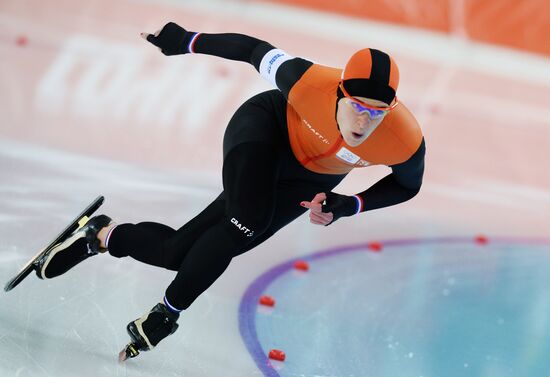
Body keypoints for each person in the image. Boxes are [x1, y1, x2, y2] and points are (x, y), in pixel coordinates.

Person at [34, 22, 425, 358]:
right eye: (357, 105)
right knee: (247, 222)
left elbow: (407, 186)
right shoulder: (309, 82)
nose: (364, 119)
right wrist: (185, 40)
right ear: (340, 92)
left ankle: (101, 236)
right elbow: (253, 50)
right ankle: (167, 315)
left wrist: (351, 203)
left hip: (310, 179)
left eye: (377, 112)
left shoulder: (402, 140)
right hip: (264, 130)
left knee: (177, 254)